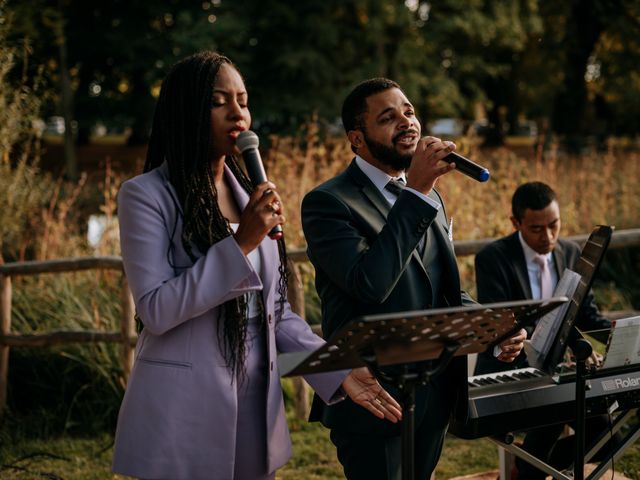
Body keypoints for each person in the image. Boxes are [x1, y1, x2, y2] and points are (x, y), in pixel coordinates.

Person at [111, 52, 402, 480]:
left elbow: (274, 313)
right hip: (185, 409)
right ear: (186, 110)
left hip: (255, 400)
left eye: (243, 101)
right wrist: (242, 242)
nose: (237, 113)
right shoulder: (146, 195)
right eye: (218, 101)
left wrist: (335, 369)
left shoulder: (251, 194)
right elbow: (155, 309)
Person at [301, 77, 526, 480]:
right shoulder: (329, 202)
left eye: (409, 111)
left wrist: (493, 326)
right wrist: (418, 191)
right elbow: (369, 285)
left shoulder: (430, 197)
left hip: (436, 390)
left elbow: (444, 291)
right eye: (388, 117)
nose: (407, 122)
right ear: (356, 138)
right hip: (374, 394)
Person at [474, 181, 613, 479]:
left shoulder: (572, 252)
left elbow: (586, 314)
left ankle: (529, 467)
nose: (548, 236)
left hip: (559, 376)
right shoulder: (493, 259)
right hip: (509, 368)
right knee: (557, 407)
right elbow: (502, 326)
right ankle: (529, 471)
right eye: (537, 229)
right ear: (516, 222)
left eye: (554, 225)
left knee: (606, 432)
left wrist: (617, 335)